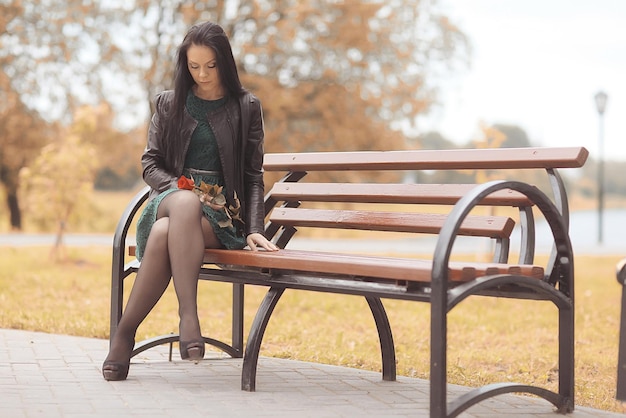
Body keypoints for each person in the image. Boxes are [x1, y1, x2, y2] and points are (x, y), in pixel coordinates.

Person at [102, 21, 278, 381]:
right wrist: (178, 186)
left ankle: (123, 336)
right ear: (185, 65)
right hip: (171, 195)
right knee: (183, 204)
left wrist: (256, 228)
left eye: (210, 66)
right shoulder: (169, 103)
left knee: (167, 233)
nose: (202, 74)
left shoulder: (246, 107)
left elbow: (252, 174)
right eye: (194, 67)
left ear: (224, 63)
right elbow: (150, 162)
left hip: (219, 214)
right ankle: (189, 315)